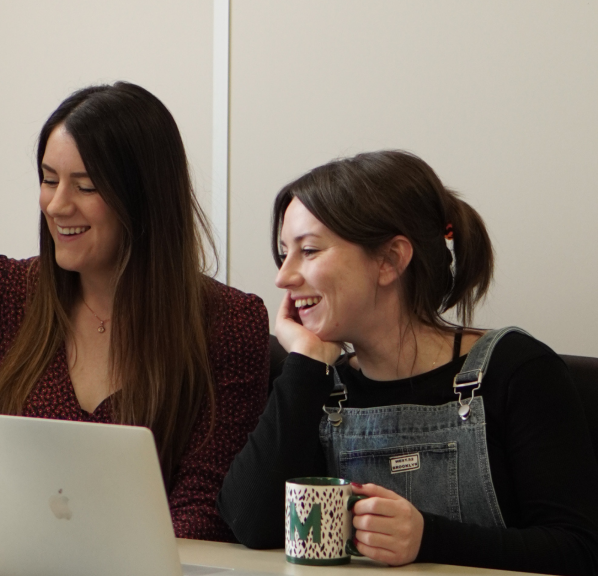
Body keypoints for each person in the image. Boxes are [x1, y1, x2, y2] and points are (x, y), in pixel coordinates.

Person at [0, 82, 269, 542]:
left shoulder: (229, 323)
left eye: (85, 186)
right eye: (48, 179)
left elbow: (204, 507)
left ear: (143, 199)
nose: (58, 204)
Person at [217, 150, 598, 574]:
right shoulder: (318, 385)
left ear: (390, 260)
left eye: (307, 250)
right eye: (284, 253)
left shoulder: (518, 372)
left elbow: (578, 551)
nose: (283, 277)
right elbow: (250, 525)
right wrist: (305, 365)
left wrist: (428, 538)